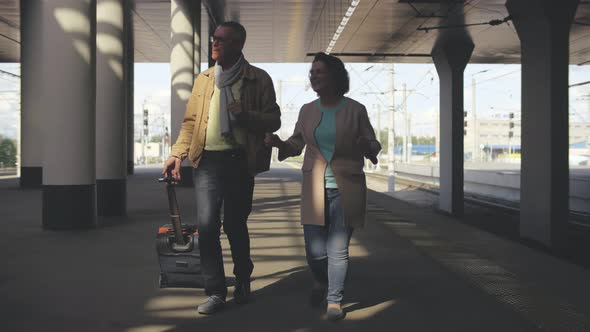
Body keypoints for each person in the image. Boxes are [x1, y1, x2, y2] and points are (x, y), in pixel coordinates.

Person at [163, 21, 281, 315]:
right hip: (208, 161)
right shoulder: (204, 79)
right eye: (214, 39)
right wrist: (177, 153)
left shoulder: (258, 79)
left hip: (241, 160)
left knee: (235, 225)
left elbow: (274, 120)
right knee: (207, 226)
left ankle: (242, 279)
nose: (214, 44)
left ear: (239, 45)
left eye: (222, 40)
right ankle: (215, 290)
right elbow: (190, 123)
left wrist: (246, 116)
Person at [265, 52, 381, 320]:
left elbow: (373, 144)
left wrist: (367, 147)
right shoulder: (307, 110)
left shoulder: (355, 110)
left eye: (319, 71)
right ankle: (320, 279)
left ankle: (334, 300)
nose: (313, 76)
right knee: (315, 250)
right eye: (312, 72)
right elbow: (295, 144)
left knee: (337, 248)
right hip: (314, 187)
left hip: (346, 186)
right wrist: (279, 144)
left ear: (335, 76)